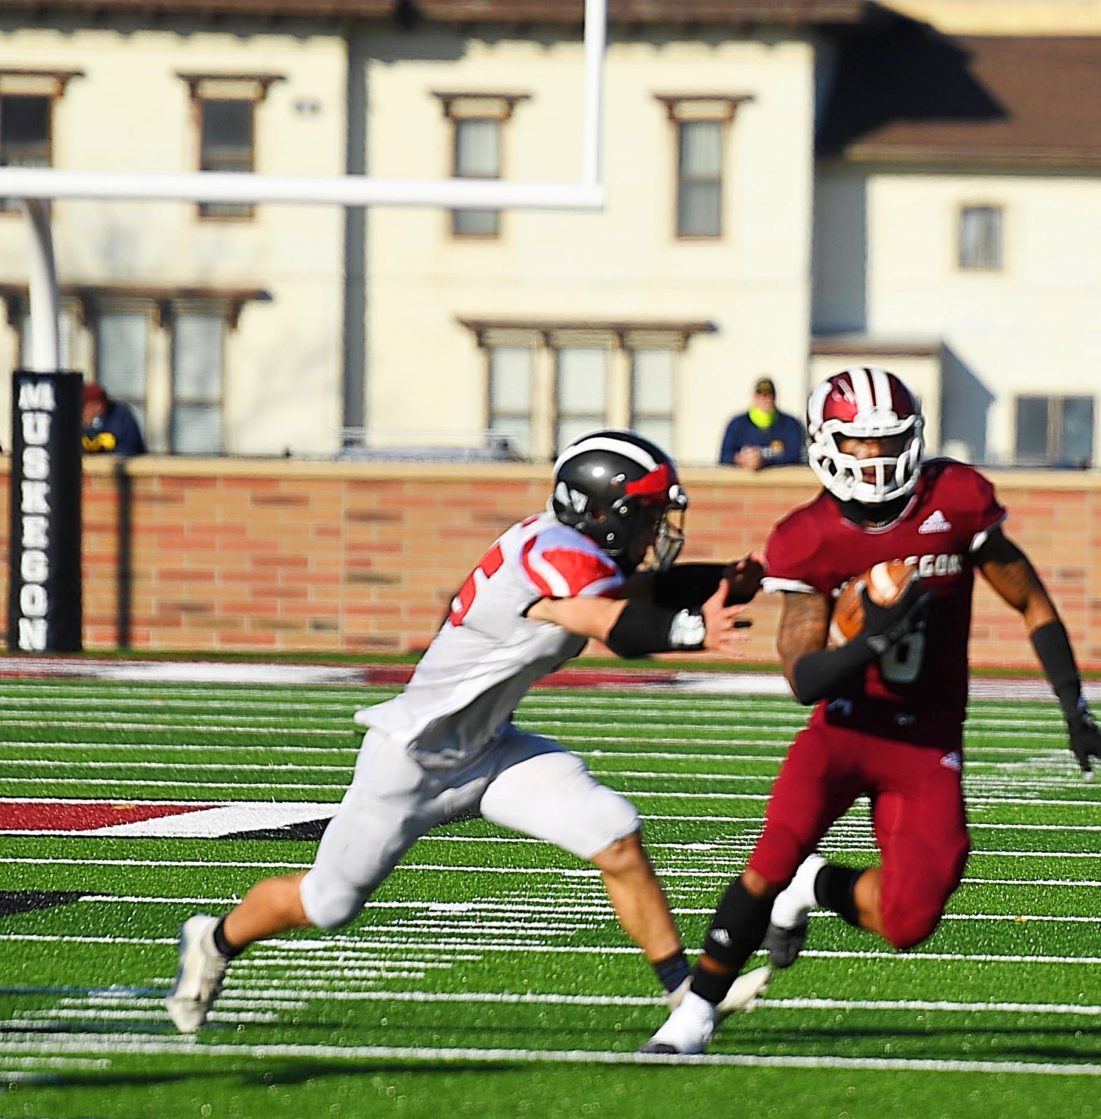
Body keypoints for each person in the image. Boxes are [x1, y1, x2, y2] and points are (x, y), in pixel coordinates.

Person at [165, 431, 760, 1039]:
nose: (658, 527)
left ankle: (685, 996)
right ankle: (213, 939)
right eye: (649, 514)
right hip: (412, 760)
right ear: (602, 511)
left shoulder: (565, 544)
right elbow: (610, 622)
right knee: (327, 903)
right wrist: (691, 633)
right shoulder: (556, 555)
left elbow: (639, 591)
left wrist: (742, 578)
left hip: (491, 750)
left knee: (614, 832)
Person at [643, 365, 1101, 1054]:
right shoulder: (807, 536)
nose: (873, 459)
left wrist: (1073, 705)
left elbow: (1030, 600)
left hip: (926, 741)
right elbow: (803, 677)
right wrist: (874, 636)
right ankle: (693, 1013)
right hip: (845, 728)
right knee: (772, 853)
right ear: (824, 442)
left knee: (909, 918)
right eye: (858, 443)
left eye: (888, 441)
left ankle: (818, 884)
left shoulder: (954, 499)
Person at [719, 376, 806, 470]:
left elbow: (796, 457)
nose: (766, 399)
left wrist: (764, 461)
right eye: (762, 395)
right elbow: (724, 457)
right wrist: (741, 459)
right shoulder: (737, 424)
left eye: (770, 395)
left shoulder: (791, 424)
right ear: (754, 397)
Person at [81, 382, 147, 456]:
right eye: (91, 405)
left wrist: (109, 448)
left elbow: (132, 447)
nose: (97, 408)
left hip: (117, 464)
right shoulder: (74, 420)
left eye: (99, 403)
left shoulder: (121, 415)